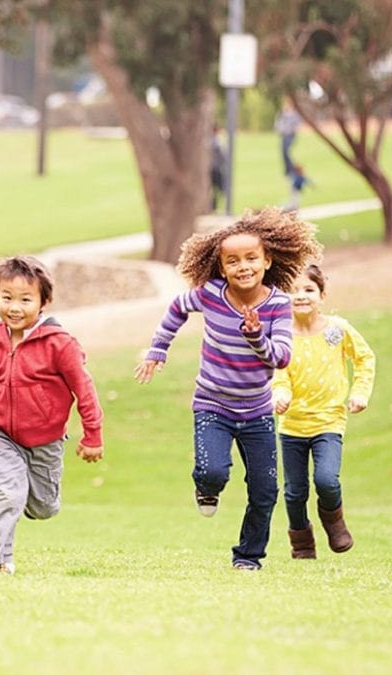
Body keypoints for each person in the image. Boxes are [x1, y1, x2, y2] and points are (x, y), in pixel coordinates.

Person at [134, 208, 323, 570]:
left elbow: (281, 357)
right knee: (212, 472)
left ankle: (248, 557)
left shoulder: (278, 306)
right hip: (212, 405)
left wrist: (255, 338)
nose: (243, 267)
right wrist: (159, 348)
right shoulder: (210, 295)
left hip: (257, 412)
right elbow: (177, 307)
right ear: (221, 267)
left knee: (265, 491)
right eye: (232, 261)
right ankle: (206, 487)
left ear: (267, 260)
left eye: (251, 258)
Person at [0, 256, 104, 575]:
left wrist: (93, 435)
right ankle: (2, 561)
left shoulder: (60, 344)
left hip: (47, 441)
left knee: (44, 507)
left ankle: (29, 500)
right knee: (6, 494)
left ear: (43, 302)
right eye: (6, 298)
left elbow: (84, 389)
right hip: (3, 436)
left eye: (25, 299)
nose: (15, 307)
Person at [272, 264, 375, 559]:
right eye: (292, 290)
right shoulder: (281, 336)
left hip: (329, 422)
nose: (300, 296)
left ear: (322, 294)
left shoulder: (337, 329)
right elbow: (277, 373)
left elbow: (365, 358)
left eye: (308, 290)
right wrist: (280, 394)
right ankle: (302, 542)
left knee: (327, 480)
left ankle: (334, 521)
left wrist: (360, 392)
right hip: (291, 426)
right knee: (294, 492)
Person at [275, 102, 302, 177]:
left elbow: (297, 124)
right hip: (283, 135)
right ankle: (288, 169)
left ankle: (292, 169)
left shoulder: (294, 114)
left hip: (291, 135)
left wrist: (294, 129)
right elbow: (278, 124)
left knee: (286, 151)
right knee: (283, 152)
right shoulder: (281, 114)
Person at [210, 124, 227, 213]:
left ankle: (213, 206)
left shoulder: (207, 140)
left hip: (210, 169)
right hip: (215, 169)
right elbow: (223, 156)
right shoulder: (216, 142)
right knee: (223, 188)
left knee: (213, 190)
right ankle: (216, 207)